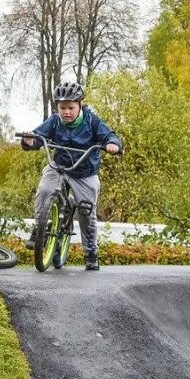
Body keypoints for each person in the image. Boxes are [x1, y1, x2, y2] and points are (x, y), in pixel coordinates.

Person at [20, 81, 122, 271]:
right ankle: (39, 230)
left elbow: (110, 136)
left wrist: (112, 145)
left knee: (86, 212)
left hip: (84, 173)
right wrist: (28, 140)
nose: (66, 112)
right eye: (62, 108)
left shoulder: (92, 121)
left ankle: (91, 253)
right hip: (59, 166)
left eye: (71, 108)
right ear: (57, 107)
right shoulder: (55, 121)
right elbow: (36, 138)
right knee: (44, 190)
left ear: (80, 105)